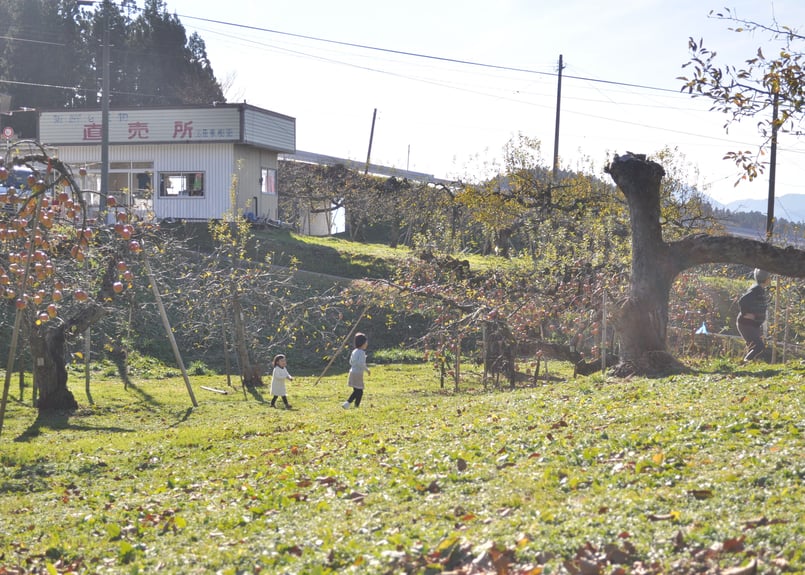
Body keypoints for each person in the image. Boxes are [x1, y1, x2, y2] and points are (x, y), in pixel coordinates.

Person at [736, 268, 771, 363]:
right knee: (758, 346)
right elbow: (742, 301)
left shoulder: (760, 289)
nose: (770, 279)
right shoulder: (756, 290)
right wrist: (745, 313)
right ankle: (745, 362)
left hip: (753, 324)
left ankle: (746, 365)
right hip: (746, 323)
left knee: (752, 346)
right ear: (766, 279)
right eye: (769, 277)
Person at [342, 332, 370, 409]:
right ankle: (350, 403)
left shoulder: (354, 351)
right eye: (366, 342)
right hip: (358, 374)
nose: (367, 344)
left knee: (356, 390)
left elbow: (350, 362)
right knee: (359, 391)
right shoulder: (361, 353)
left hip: (352, 372)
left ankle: (353, 405)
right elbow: (361, 364)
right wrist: (367, 370)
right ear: (363, 343)